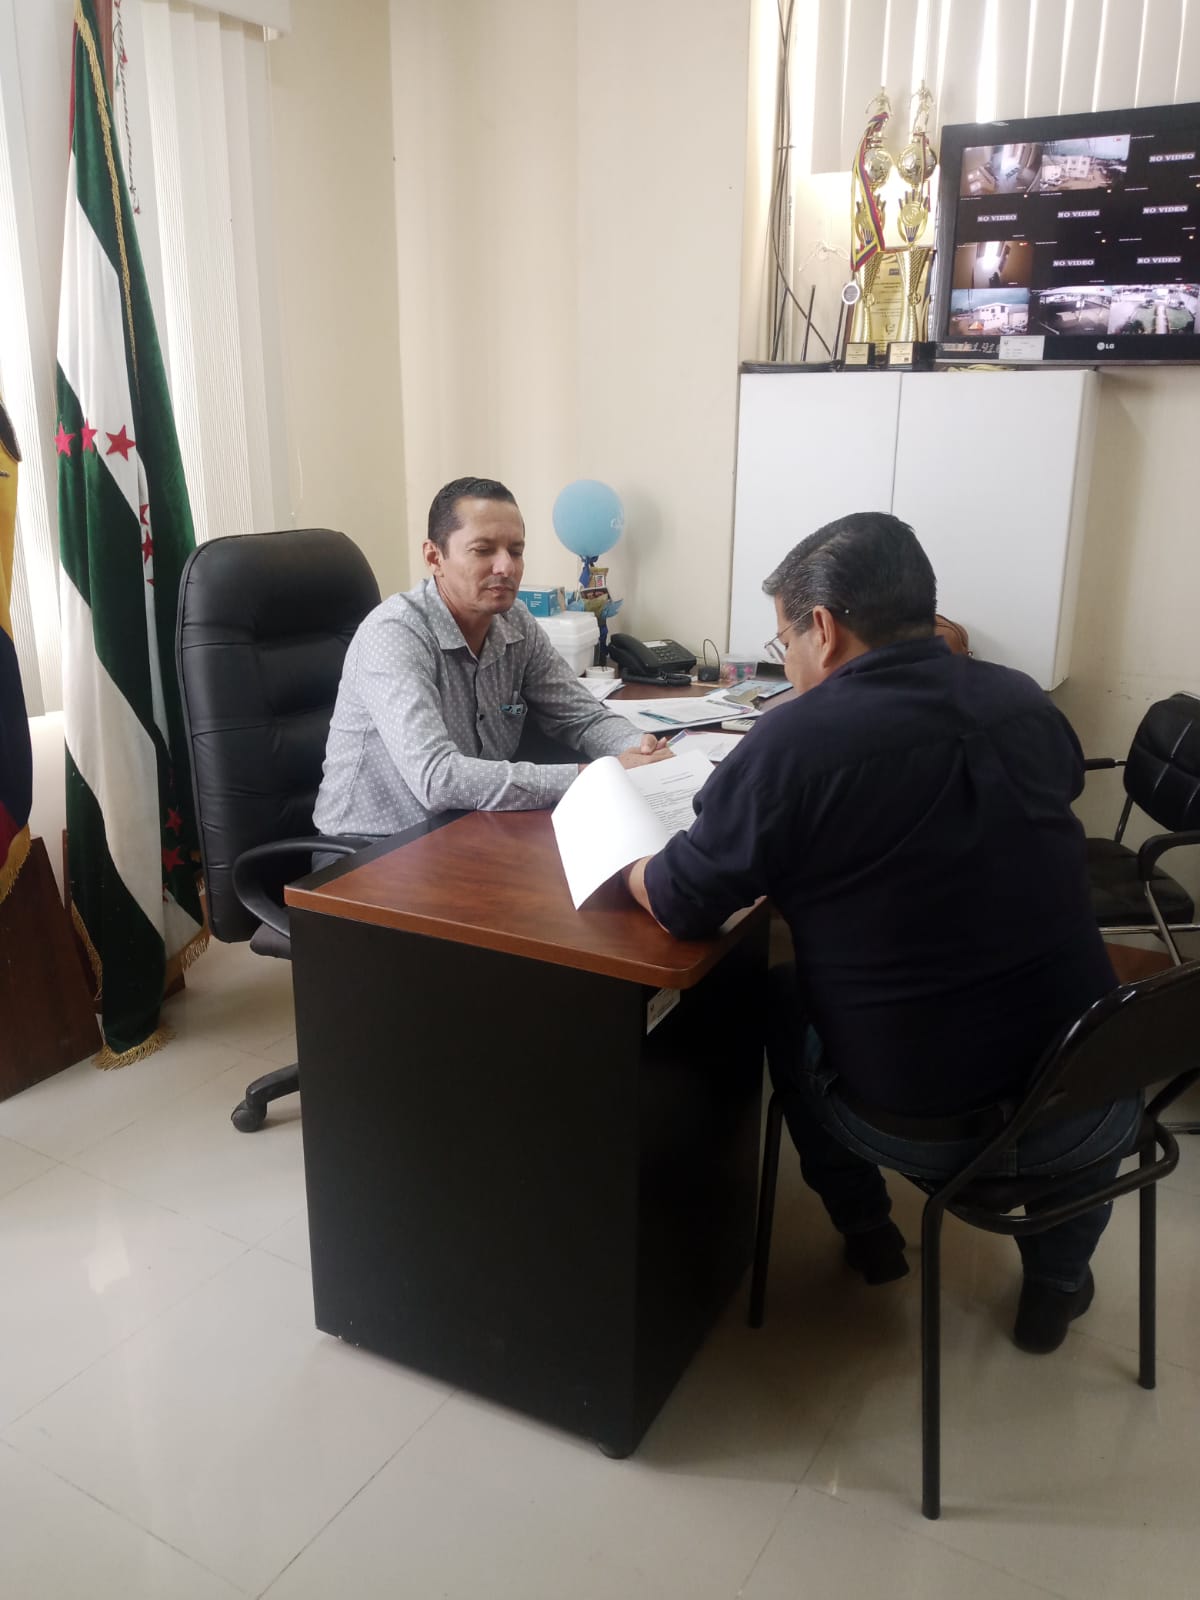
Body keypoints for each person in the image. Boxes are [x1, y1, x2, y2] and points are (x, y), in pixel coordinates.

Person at [622, 512, 1139, 1355]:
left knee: (783, 997)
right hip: (1096, 1093)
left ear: (822, 629)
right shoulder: (1020, 701)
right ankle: (1056, 1283)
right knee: (1041, 1008)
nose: (789, 661)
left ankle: (868, 1233)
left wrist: (628, 862)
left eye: (785, 639)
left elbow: (682, 901)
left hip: (919, 1116)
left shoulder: (794, 743)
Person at [314, 476, 667, 839]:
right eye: (483, 550)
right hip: (372, 850)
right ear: (434, 557)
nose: (506, 567)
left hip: (468, 827)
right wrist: (594, 777)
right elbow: (438, 778)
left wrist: (639, 748)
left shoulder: (515, 622)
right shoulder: (395, 632)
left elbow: (583, 718)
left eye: (515, 551)